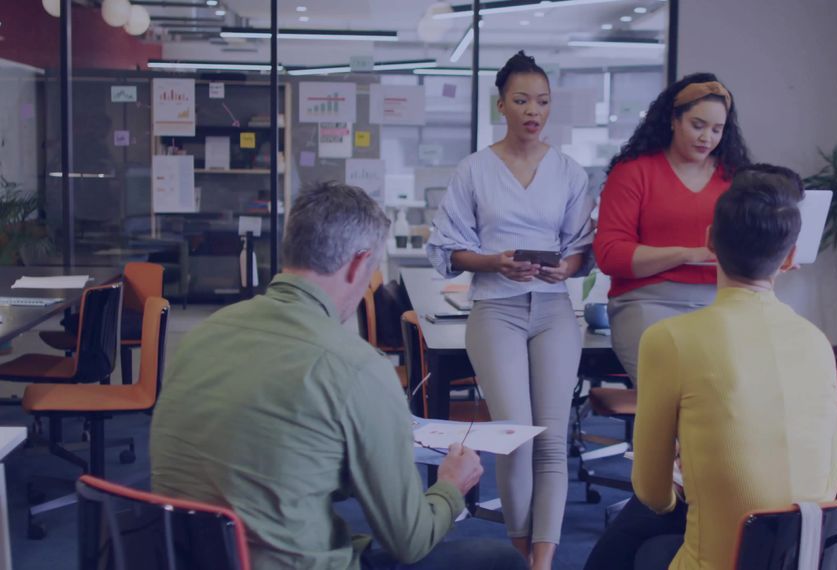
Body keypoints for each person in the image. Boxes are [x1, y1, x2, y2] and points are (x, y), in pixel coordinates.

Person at [150, 182, 526, 570]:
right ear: (359, 263)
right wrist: (450, 486)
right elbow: (410, 541)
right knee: (500, 560)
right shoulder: (356, 367)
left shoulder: (203, 336)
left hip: (187, 558)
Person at [585, 165, 837, 570]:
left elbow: (652, 492)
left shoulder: (670, 339)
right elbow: (828, 480)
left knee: (639, 543)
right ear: (791, 257)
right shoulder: (817, 342)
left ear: (709, 240)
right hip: (800, 556)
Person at [425, 51, 594, 570]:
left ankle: (543, 561)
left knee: (552, 440)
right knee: (516, 436)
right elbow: (448, 249)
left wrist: (565, 269)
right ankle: (521, 555)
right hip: (495, 309)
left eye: (542, 101)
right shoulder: (475, 169)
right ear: (501, 105)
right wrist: (494, 262)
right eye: (521, 100)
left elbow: (581, 247)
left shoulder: (569, 171)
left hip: (553, 309)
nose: (533, 111)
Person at [593, 72, 751, 382]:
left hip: (721, 303)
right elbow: (611, 255)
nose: (707, 138)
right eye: (698, 125)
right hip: (647, 302)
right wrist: (689, 254)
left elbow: (747, 245)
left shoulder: (735, 177)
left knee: (732, 392)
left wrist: (772, 258)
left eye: (717, 129)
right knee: (680, 393)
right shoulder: (633, 172)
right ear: (673, 120)